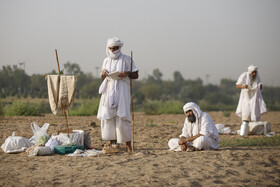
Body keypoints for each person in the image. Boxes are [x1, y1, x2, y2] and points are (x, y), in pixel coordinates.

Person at [97, 37, 138, 152]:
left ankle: (128, 144)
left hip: (122, 90)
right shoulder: (106, 61)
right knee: (108, 116)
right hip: (109, 91)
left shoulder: (126, 59)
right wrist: (104, 74)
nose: (113, 51)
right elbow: (103, 78)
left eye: (115, 48)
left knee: (122, 116)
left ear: (119, 48)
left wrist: (127, 73)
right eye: (111, 48)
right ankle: (112, 143)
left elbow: (136, 75)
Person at [236, 65, 267, 136]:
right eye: (253, 72)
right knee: (246, 113)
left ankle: (254, 130)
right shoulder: (244, 75)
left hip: (254, 98)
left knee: (254, 113)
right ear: (250, 72)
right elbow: (237, 85)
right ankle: (245, 131)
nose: (254, 74)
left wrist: (260, 86)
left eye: (255, 72)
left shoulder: (257, 77)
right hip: (245, 97)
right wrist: (244, 86)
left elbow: (260, 85)